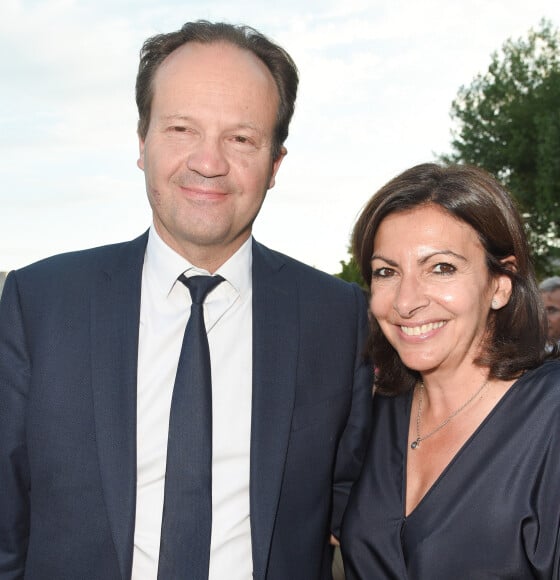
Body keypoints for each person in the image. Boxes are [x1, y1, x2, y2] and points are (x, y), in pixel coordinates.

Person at [0, 21, 372, 580]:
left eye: (241, 138)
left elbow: (359, 500)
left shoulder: (339, 318)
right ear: (142, 143)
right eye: (181, 129)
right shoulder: (40, 303)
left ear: (274, 164)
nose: (208, 161)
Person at [340, 163, 560, 578]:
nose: (405, 301)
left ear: (500, 284)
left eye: (442, 268)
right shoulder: (378, 413)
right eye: (387, 272)